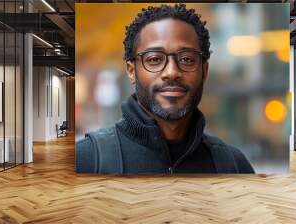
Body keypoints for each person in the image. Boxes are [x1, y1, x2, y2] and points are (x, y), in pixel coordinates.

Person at [76, 3, 254, 174]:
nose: (172, 72)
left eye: (186, 59)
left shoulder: (234, 166)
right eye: (154, 59)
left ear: (204, 71)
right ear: (131, 71)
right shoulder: (86, 160)